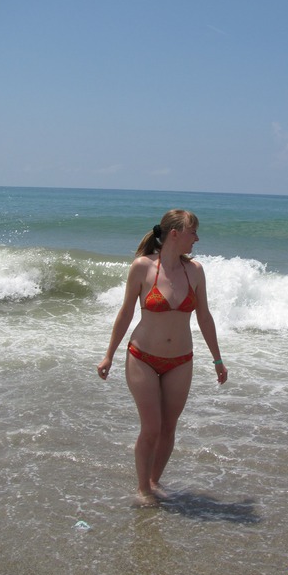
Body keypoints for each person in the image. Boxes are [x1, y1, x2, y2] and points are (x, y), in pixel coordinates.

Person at [97, 209, 228, 506]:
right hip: (142, 356)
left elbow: (204, 317)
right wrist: (109, 356)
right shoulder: (143, 267)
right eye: (193, 232)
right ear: (175, 234)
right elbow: (126, 313)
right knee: (152, 427)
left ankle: (154, 482)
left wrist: (218, 360)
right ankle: (142, 489)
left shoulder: (195, 270)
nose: (197, 238)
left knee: (169, 427)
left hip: (180, 360)